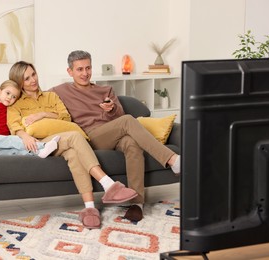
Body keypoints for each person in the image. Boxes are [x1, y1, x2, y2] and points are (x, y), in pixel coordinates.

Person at [49, 50, 181, 222]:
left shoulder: (106, 90)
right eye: (80, 69)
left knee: (132, 143)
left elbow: (120, 118)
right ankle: (172, 160)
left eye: (88, 68)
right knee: (128, 121)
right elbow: (36, 97)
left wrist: (111, 110)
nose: (85, 73)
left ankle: (137, 203)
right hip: (90, 138)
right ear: (70, 72)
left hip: (113, 133)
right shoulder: (60, 91)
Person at [6, 61, 138, 229]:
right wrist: (25, 136)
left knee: (74, 154)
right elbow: (14, 126)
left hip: (62, 140)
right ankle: (109, 185)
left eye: (33, 74)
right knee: (76, 136)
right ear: (19, 82)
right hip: (42, 145)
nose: (33, 80)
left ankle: (90, 208)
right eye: (26, 78)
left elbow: (65, 117)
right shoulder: (15, 104)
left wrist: (42, 114)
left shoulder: (51, 96)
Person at [0, 80, 60, 158]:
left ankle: (39, 152)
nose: (9, 97)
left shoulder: (11, 109)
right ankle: (44, 145)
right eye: (8, 93)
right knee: (15, 140)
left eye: (13, 97)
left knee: (16, 152)